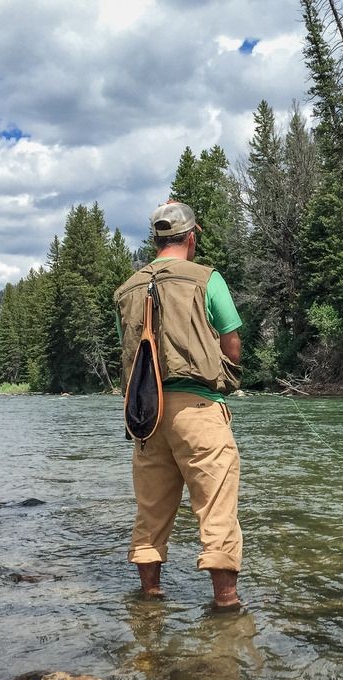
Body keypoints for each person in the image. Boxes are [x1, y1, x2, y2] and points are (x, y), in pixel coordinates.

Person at [114, 200, 244, 611]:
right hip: (199, 408)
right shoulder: (207, 279)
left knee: (150, 513)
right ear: (190, 237)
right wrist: (225, 371)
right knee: (217, 510)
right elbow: (232, 341)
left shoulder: (126, 289)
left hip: (145, 415)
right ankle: (226, 606)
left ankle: (149, 601)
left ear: (156, 240)